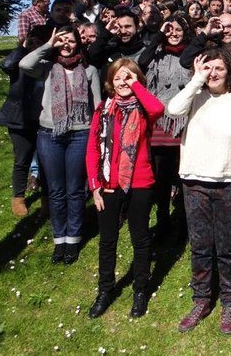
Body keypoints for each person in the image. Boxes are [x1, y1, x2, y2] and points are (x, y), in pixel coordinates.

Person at [168, 49, 231, 335]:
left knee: (228, 247)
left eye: (218, 68)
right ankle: (201, 300)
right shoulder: (195, 93)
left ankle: (229, 302)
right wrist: (196, 79)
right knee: (200, 245)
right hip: (195, 180)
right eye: (207, 67)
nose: (213, 73)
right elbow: (172, 110)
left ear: (229, 70)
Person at [85, 59, 164, 318]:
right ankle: (105, 291)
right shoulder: (103, 110)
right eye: (118, 78)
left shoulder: (143, 108)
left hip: (140, 181)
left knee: (140, 238)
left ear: (137, 80)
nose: (123, 82)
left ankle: (140, 290)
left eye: (128, 77)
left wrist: (137, 86)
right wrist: (95, 186)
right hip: (108, 184)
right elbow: (93, 150)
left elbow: (158, 107)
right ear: (110, 82)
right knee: (108, 240)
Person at [20, 27, 101, 264]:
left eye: (71, 40)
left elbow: (96, 107)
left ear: (79, 43)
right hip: (49, 134)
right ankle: (60, 240)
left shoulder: (89, 70)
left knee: (75, 189)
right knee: (55, 190)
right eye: (62, 40)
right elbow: (25, 64)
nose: (66, 44)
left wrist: (97, 137)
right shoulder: (46, 67)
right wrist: (48, 44)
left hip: (80, 135)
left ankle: (73, 239)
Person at [137, 16, 192, 240]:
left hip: (185, 123)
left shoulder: (192, 55)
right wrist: (159, 35)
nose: (174, 33)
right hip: (161, 123)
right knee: (161, 176)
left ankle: (181, 220)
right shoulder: (156, 54)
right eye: (170, 29)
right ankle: (162, 219)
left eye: (178, 29)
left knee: (183, 175)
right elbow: (141, 63)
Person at [0, 31, 46, 217]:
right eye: (34, 42)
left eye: (40, 42)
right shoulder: (19, 63)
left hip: (43, 119)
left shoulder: (48, 63)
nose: (36, 46)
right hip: (19, 119)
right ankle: (18, 197)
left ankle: (46, 198)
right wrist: (22, 47)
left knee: (46, 160)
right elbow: (5, 64)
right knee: (22, 158)